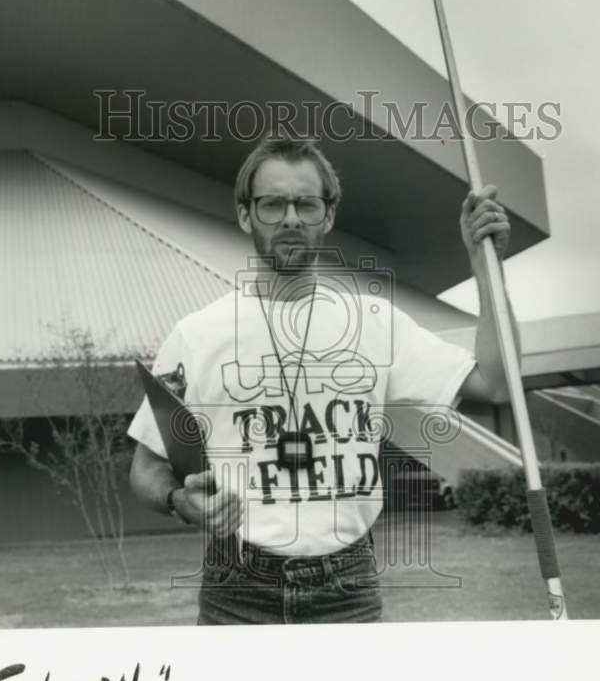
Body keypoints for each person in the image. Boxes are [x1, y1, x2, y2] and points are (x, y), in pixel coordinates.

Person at [127, 137, 519, 624]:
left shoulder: (376, 322)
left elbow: (498, 383)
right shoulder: (196, 335)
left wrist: (487, 268)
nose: (290, 218)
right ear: (246, 215)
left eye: (306, 203)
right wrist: (177, 500)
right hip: (237, 586)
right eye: (272, 203)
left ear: (328, 216)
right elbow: (145, 468)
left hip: (346, 586)